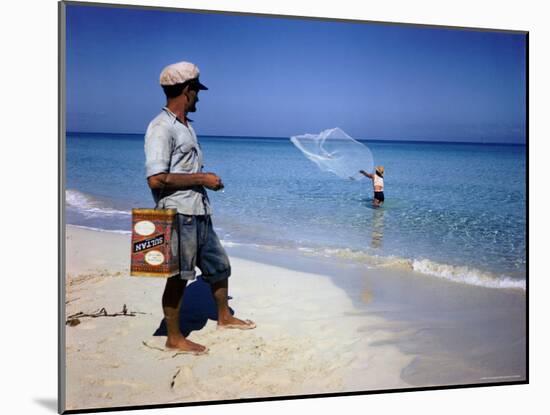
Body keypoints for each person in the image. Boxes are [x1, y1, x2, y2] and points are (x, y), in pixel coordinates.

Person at [144, 61, 256, 355]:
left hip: (199, 212)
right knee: (179, 277)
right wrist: (202, 178)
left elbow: (180, 170)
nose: (199, 97)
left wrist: (204, 183)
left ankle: (224, 317)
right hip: (179, 215)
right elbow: (156, 179)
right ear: (186, 90)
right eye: (196, 91)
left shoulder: (185, 127)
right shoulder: (160, 127)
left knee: (220, 267)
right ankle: (174, 338)